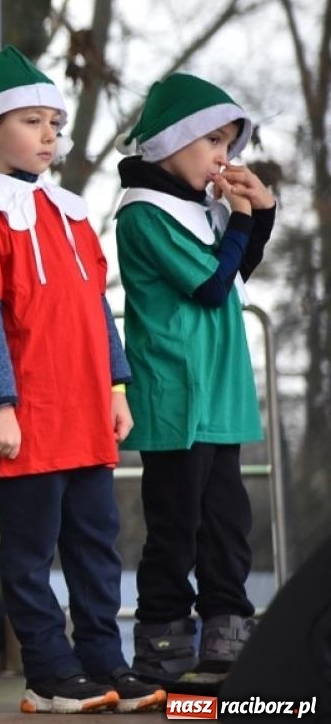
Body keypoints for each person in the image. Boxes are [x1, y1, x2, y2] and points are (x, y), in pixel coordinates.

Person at [0, 47, 163, 713]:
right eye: (31, 121)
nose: (49, 135)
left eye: (55, 123)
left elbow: (96, 306)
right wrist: (1, 403)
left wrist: (117, 388)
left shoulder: (71, 210)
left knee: (97, 545)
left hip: (86, 410)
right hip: (27, 414)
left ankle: (105, 661)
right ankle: (47, 673)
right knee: (31, 550)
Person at [114, 73, 274, 690]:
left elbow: (236, 275)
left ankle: (227, 637)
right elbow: (209, 285)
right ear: (172, 141)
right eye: (212, 140)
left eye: (229, 143)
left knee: (227, 524)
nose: (222, 156)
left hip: (219, 392)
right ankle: (162, 644)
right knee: (175, 529)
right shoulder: (143, 213)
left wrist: (261, 213)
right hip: (177, 395)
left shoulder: (201, 208)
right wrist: (240, 219)